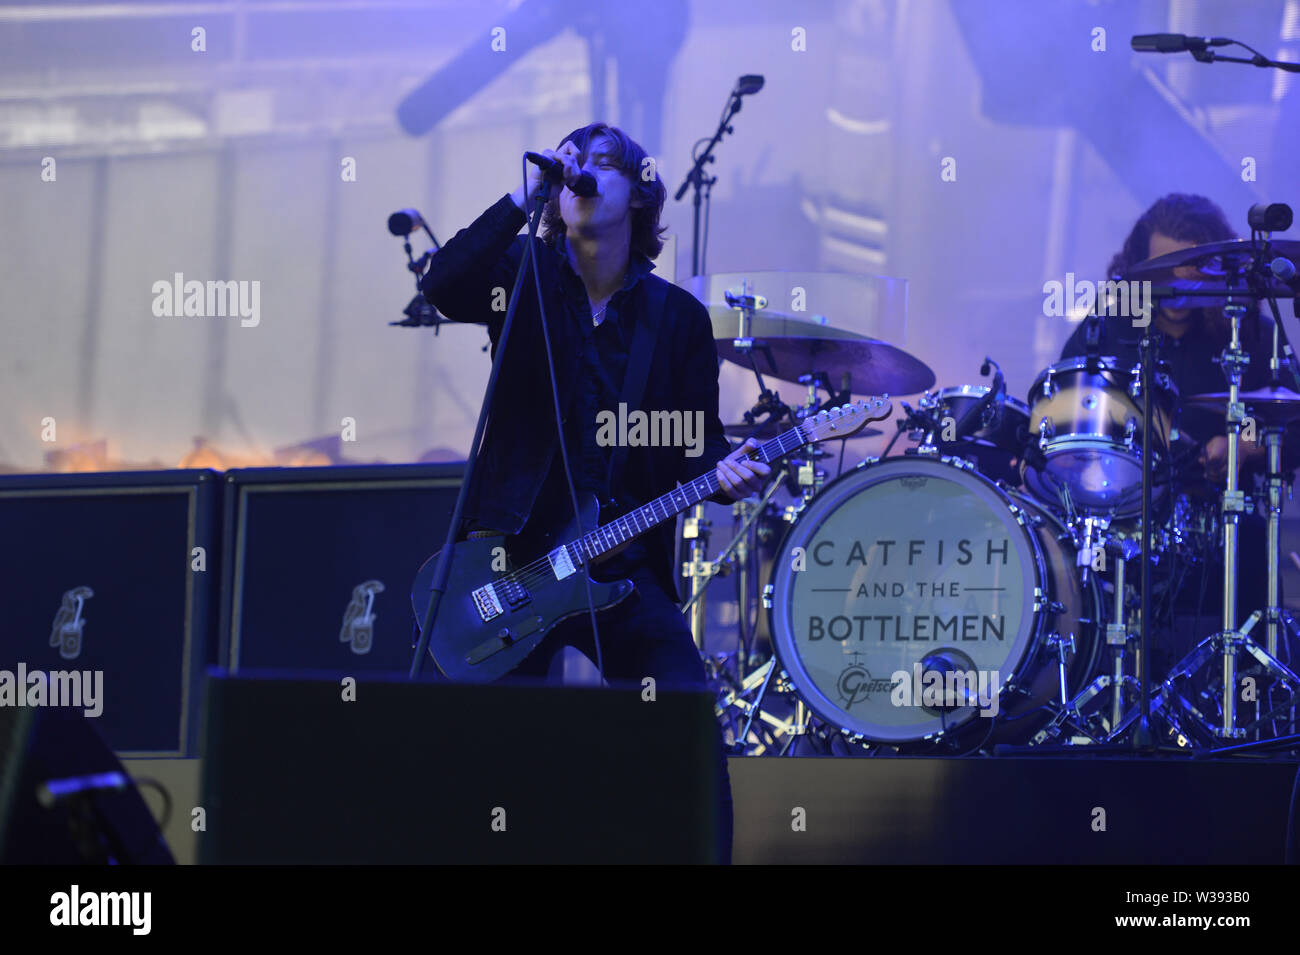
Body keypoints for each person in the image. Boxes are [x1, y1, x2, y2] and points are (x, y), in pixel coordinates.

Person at [421, 123, 770, 863]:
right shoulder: (521, 275)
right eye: (572, 160)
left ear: (639, 191)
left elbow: (692, 443)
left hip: (617, 558)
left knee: (683, 721)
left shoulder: (675, 318)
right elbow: (442, 282)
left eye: (600, 162)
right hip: (510, 559)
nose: (581, 170)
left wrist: (728, 471)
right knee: (472, 755)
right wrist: (527, 193)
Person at [1058, 193, 1280, 673]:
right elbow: (1060, 413)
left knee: (1252, 541)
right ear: (1137, 265)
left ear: (1217, 270)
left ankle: (1237, 692)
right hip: (1121, 517)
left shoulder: (1253, 336)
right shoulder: (1109, 326)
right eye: (1163, 268)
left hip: (1219, 521)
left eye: (1192, 269)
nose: (1177, 287)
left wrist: (1246, 446)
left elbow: (1292, 424)